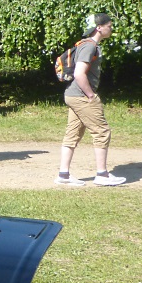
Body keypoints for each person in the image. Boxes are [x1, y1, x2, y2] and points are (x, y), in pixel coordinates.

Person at [55, 13, 125, 187]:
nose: (111, 27)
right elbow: (79, 74)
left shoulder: (85, 44)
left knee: (73, 134)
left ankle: (63, 175)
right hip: (81, 96)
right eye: (109, 25)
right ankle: (102, 174)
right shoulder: (90, 46)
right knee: (102, 131)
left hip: (73, 95)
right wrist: (91, 95)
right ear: (99, 28)